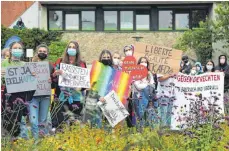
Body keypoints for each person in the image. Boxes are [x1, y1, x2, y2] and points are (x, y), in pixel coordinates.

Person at [1, 42, 34, 139]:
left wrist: (33, 77)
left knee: (21, 121)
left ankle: (23, 142)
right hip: (8, 97)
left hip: (21, 97)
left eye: (20, 48)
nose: (17, 50)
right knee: (8, 120)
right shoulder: (4, 63)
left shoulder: (25, 64)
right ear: (10, 50)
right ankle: (9, 141)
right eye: (15, 48)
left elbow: (29, 84)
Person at [51, 41, 86, 131]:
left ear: (77, 50)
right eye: (69, 47)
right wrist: (55, 75)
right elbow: (54, 81)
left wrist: (78, 87)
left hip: (76, 98)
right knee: (61, 125)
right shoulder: (60, 62)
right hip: (62, 97)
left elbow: (84, 84)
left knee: (74, 125)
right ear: (67, 49)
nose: (71, 49)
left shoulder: (82, 64)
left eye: (74, 47)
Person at [29, 44, 54, 139]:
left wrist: (51, 80)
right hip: (33, 96)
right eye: (40, 51)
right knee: (33, 121)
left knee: (43, 121)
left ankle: (41, 141)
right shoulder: (30, 66)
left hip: (45, 97)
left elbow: (54, 82)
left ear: (47, 53)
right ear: (37, 53)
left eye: (44, 51)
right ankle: (35, 142)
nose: (42, 53)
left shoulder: (51, 66)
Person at [132, 57, 155, 129]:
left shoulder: (149, 74)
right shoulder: (135, 73)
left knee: (148, 116)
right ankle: (139, 132)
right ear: (138, 64)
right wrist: (147, 84)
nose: (143, 63)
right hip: (138, 97)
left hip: (148, 98)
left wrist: (146, 85)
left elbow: (152, 85)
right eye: (142, 62)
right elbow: (138, 86)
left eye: (145, 62)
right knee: (139, 116)